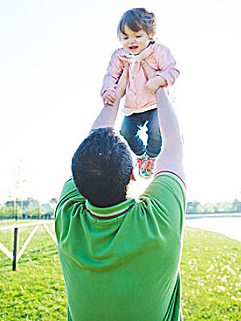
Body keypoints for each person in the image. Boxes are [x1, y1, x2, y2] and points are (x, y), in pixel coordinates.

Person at [55, 66, 186, 320]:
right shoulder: (159, 220)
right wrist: (158, 87)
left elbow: (92, 147)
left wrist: (117, 92)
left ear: (78, 180)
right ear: (133, 175)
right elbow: (174, 143)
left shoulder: (67, 220)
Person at [101, 7, 180, 179]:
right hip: (132, 107)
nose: (131, 41)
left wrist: (160, 80)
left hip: (154, 105)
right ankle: (141, 156)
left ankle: (151, 157)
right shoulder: (120, 56)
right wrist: (108, 90)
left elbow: (173, 70)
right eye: (125, 37)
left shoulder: (158, 51)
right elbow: (111, 75)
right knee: (126, 133)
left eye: (137, 36)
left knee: (156, 130)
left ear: (150, 35)